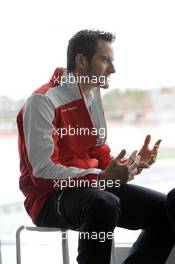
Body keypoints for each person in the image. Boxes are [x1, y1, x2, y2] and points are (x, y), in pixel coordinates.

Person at [17, 29, 174, 264]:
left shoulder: (91, 96)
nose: (113, 69)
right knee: (103, 204)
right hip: (47, 198)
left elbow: (99, 154)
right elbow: (42, 173)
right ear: (81, 61)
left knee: (166, 209)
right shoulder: (42, 101)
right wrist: (101, 178)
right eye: (105, 60)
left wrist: (129, 166)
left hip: (91, 187)